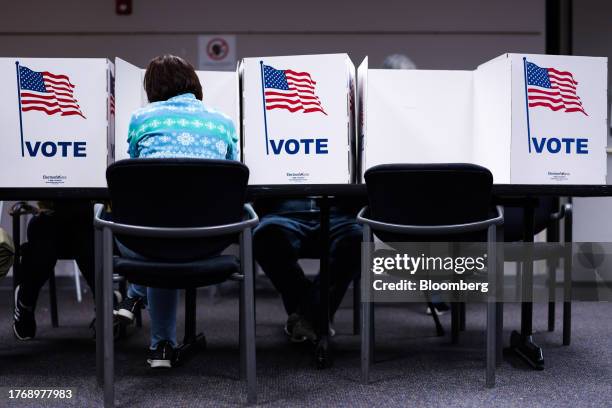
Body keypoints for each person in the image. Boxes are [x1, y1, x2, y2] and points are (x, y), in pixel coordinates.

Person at [113, 54, 238, 369]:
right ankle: (157, 337)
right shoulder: (224, 122)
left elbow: (136, 176)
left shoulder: (142, 119)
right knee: (166, 232)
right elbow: (233, 173)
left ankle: (158, 339)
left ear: (153, 88)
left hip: (152, 239)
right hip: (209, 239)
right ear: (193, 82)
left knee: (153, 232)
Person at [253, 199, 362, 343]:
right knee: (264, 237)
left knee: (359, 240)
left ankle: (304, 316)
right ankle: (316, 315)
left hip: (339, 215)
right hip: (282, 214)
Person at [12, 200, 100, 340]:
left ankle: (105, 309)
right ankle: (25, 300)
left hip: (87, 219)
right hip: (50, 217)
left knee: (89, 244)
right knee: (42, 245)